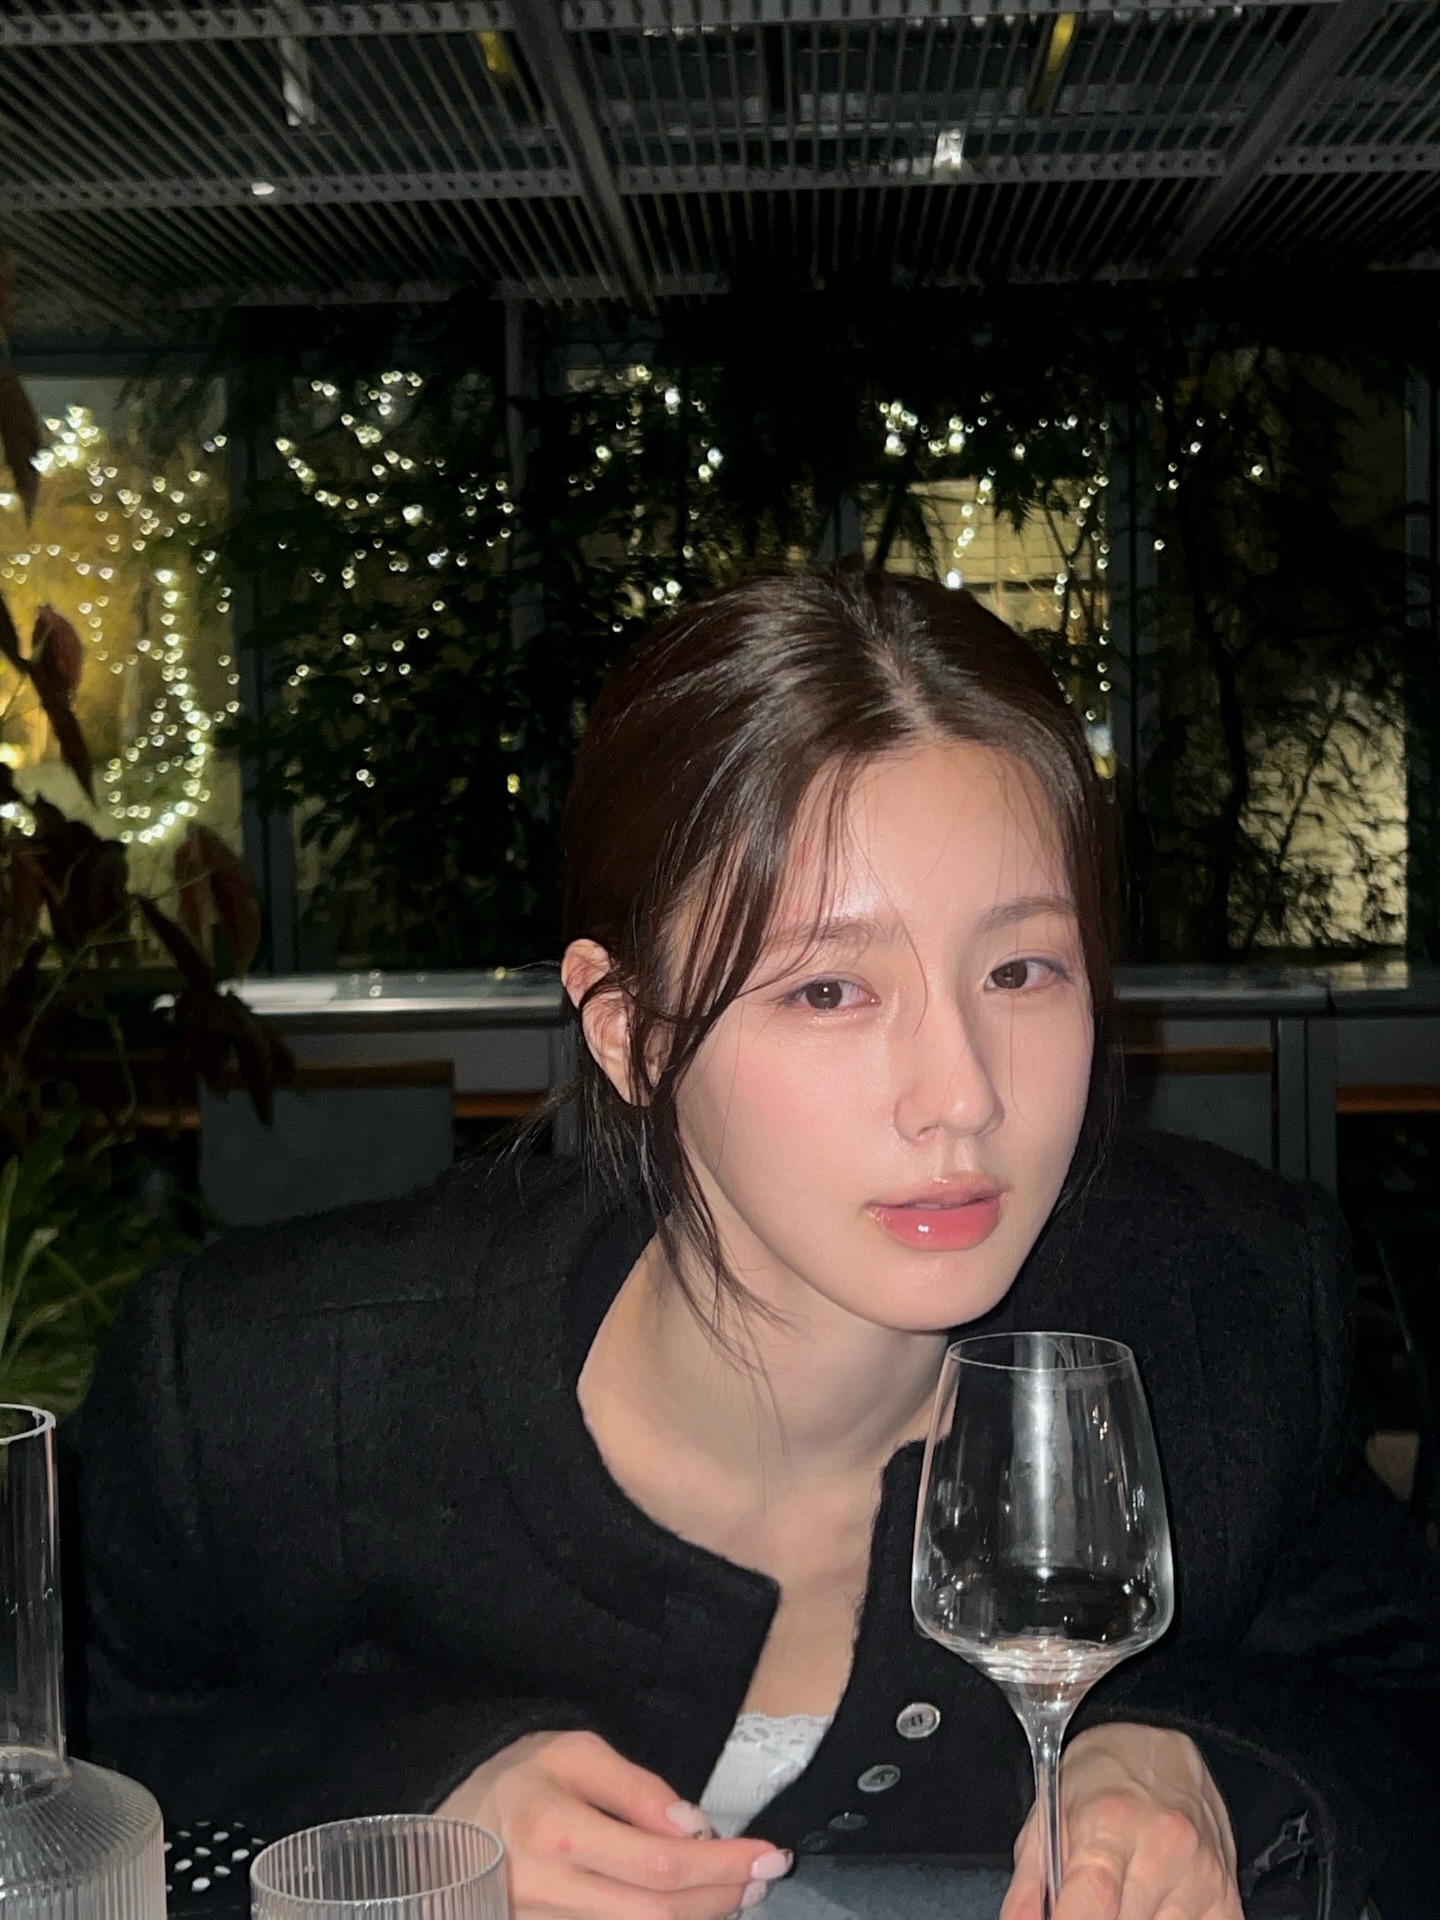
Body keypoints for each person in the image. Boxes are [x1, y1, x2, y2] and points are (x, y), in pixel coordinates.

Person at [71, 571, 1438, 1920]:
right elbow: (73, 1778)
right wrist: (410, 1807)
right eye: (830, 990)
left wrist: (1211, 1771)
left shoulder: (1227, 1315)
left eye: (1021, 970)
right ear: (629, 1033)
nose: (962, 1096)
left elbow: (1402, 1710)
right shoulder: (260, 1394)